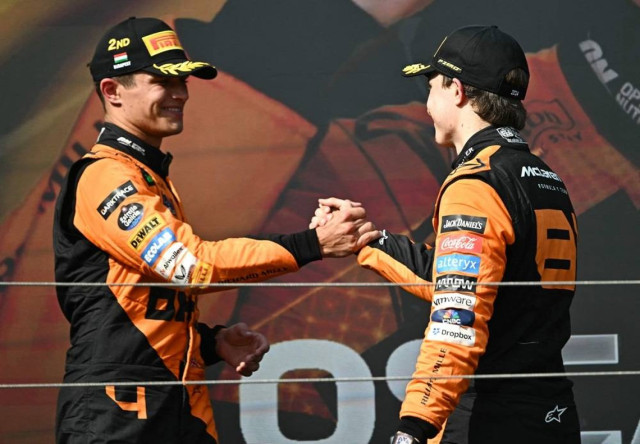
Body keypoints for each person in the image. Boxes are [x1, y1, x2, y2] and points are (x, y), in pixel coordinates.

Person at [52, 17, 380, 444]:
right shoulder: (104, 177)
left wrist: (210, 344)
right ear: (112, 91)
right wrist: (311, 244)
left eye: (184, 81)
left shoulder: (149, 175)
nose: (181, 94)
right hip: (115, 410)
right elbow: (189, 266)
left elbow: (139, 301)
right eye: (163, 82)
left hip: (175, 398)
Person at [312, 25, 580, 443]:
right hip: (550, 411)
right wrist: (365, 240)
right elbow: (459, 279)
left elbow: (456, 320)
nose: (426, 103)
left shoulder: (477, 183)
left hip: (489, 417)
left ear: (456, 90)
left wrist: (414, 425)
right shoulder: (545, 176)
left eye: (430, 87)